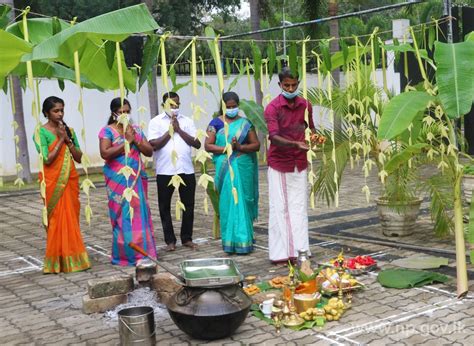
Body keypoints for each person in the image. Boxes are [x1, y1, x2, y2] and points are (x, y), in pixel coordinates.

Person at [264, 67, 316, 263]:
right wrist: (295, 143)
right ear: (280, 85)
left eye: (294, 85)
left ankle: (301, 251)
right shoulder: (273, 107)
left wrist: (316, 139)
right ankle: (283, 254)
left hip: (299, 162)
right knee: (280, 208)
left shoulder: (305, 105)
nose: (291, 88)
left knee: (299, 207)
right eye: (287, 85)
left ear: (298, 84)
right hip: (280, 163)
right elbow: (274, 137)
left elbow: (310, 129)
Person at [33, 96, 91, 273]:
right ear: (46, 113)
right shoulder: (40, 132)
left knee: (71, 217)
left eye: (62, 110)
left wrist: (68, 139)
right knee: (56, 219)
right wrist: (59, 139)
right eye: (55, 111)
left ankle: (73, 257)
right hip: (52, 182)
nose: (59, 114)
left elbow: (79, 157)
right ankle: (56, 260)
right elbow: (47, 159)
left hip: (70, 180)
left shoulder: (69, 130)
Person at [99, 98, 157, 266]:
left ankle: (144, 253)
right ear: (114, 113)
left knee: (139, 215)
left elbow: (149, 151)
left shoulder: (136, 129)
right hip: (117, 180)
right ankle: (125, 256)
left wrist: (135, 139)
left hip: (136, 178)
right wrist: (127, 141)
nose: (125, 115)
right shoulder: (107, 131)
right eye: (122, 112)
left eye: (127, 111)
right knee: (122, 215)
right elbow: (105, 153)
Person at [205, 92, 260, 254]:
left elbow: (256, 145)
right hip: (225, 166)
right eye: (228, 107)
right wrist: (227, 148)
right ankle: (230, 240)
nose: (231, 109)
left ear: (238, 106)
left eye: (234, 106)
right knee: (229, 202)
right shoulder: (215, 123)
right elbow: (208, 145)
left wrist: (240, 148)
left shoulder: (245, 123)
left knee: (243, 200)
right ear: (223, 107)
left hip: (243, 166)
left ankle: (244, 239)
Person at [148, 92, 201, 251]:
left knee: (189, 205)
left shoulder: (187, 121)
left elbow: (197, 143)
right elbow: (154, 144)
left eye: (177, 104)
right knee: (164, 206)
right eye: (171, 104)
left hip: (186, 169)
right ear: (164, 104)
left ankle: (187, 238)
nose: (175, 107)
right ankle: (170, 240)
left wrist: (179, 130)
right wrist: (170, 131)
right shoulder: (155, 122)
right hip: (165, 171)